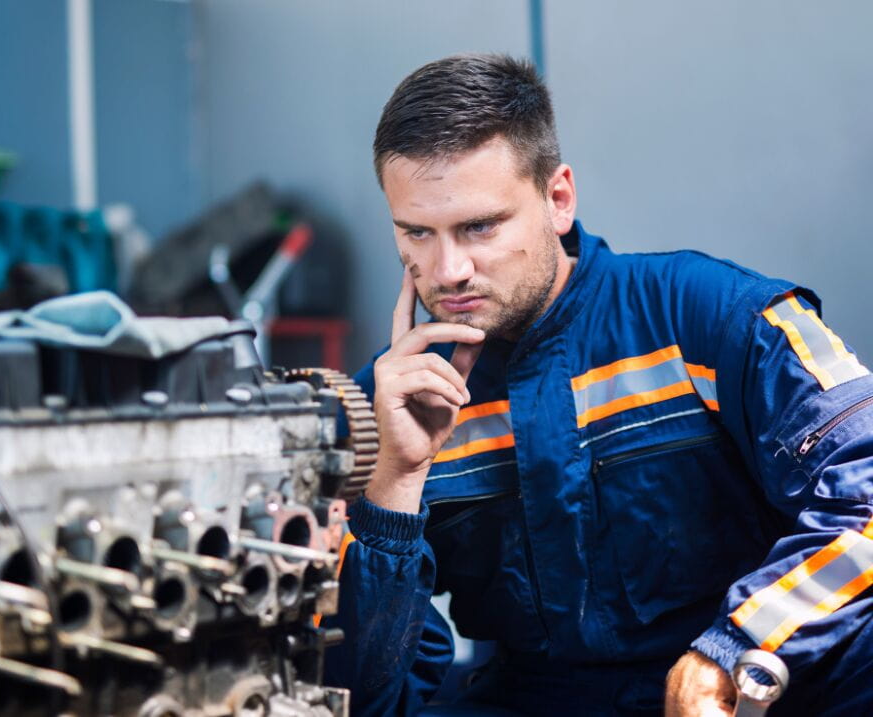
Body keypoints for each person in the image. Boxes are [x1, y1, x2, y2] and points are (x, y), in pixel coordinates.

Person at [322, 54, 873, 716]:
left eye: (479, 226)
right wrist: (397, 482)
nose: (449, 269)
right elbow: (366, 698)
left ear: (558, 199)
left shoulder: (711, 318)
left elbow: (863, 494)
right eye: (416, 232)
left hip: (761, 688)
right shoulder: (388, 402)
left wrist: (736, 647)